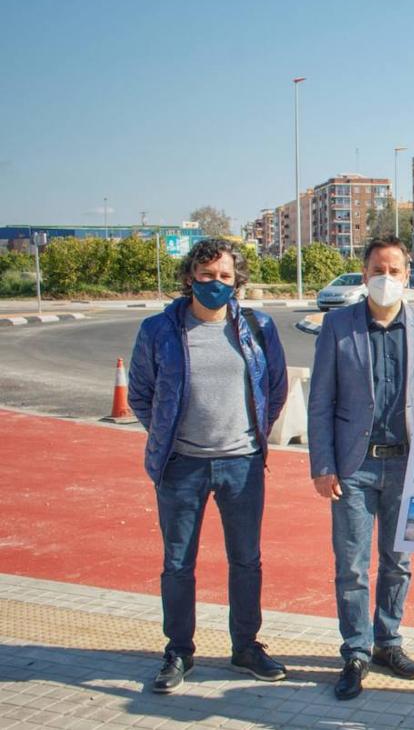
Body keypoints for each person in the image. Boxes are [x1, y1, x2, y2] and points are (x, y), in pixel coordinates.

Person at [128, 238, 290, 694]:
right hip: (181, 466)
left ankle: (246, 647)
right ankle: (179, 650)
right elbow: (141, 394)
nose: (215, 283)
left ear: (236, 279)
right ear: (189, 278)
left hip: (242, 465)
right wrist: (168, 435)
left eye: (224, 275)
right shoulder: (158, 330)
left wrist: (248, 436)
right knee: (177, 563)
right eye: (206, 275)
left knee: (246, 560)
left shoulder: (258, 327)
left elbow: (274, 389)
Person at [308, 235, 414, 701]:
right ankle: (355, 650)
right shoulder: (338, 326)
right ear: (364, 273)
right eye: (377, 270)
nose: (385, 279)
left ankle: (388, 641)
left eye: (394, 271)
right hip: (353, 468)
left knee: (399, 562)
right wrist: (323, 465)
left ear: (408, 275)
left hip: (407, 466)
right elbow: (320, 402)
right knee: (351, 564)